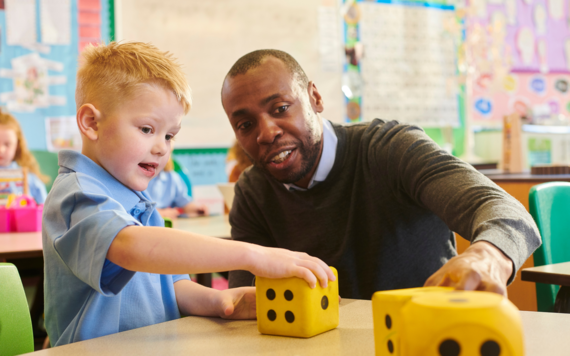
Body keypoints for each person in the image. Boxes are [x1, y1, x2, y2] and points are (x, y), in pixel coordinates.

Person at [42, 42, 335, 347]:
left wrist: (222, 300)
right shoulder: (77, 194)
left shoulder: (139, 202)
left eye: (170, 135)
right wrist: (253, 255)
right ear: (91, 123)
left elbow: (172, 287)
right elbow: (129, 247)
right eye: (146, 129)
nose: (161, 148)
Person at [220, 49, 541, 299]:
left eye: (280, 109)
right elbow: (246, 301)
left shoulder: (391, 149)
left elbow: (508, 213)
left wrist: (486, 257)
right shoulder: (253, 192)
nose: (266, 133)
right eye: (245, 125)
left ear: (314, 98)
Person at [0, 110, 49, 204]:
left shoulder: (28, 178)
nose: (1, 150)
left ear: (17, 145)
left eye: (7, 144)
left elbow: (45, 208)